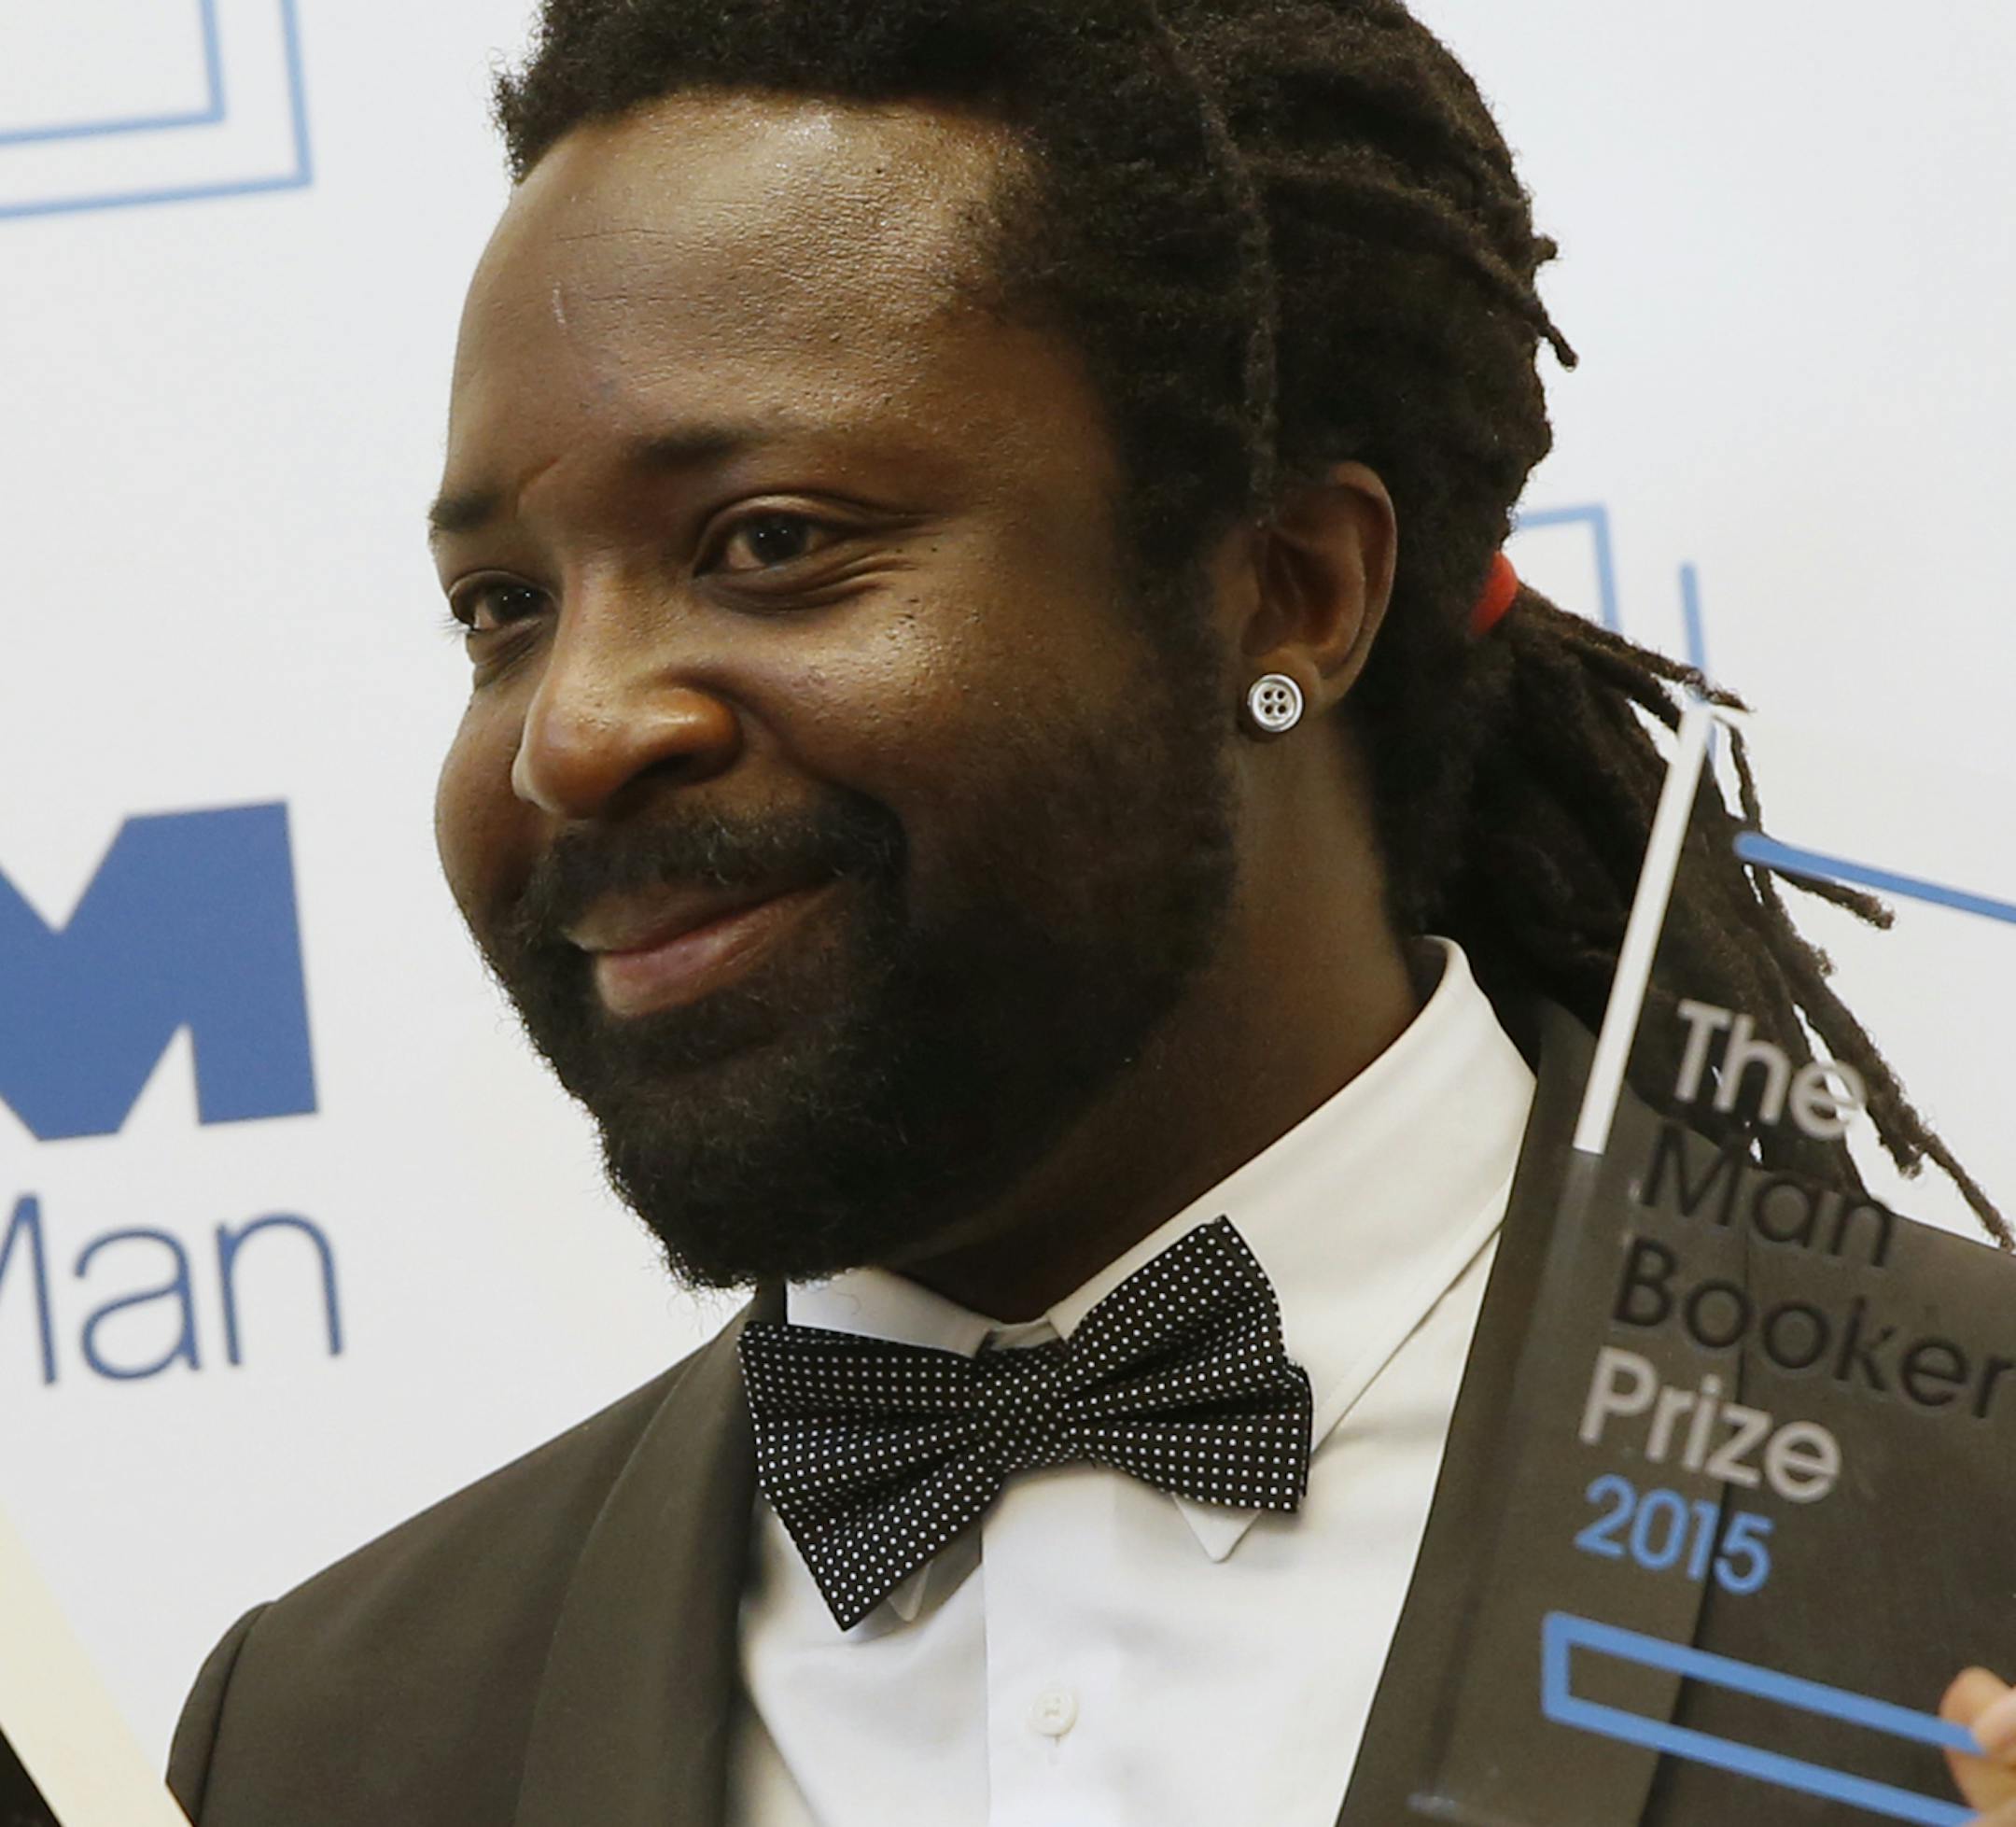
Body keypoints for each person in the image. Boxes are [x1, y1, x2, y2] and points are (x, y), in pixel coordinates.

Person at [161, 2, 2016, 1821]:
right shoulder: (319, 1743)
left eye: (771, 541)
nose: (572, 731)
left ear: (1288, 595)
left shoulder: (1975, 1515)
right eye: (503, 608)